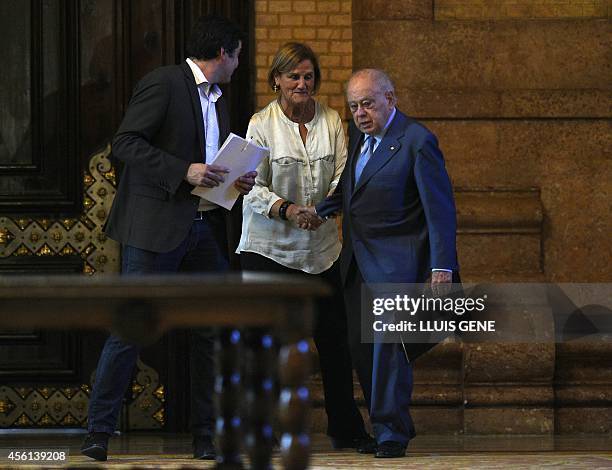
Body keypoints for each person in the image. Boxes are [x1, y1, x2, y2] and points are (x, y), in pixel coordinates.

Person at [80, 15, 256, 462]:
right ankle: (97, 432)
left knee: (211, 333)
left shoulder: (218, 100)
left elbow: (211, 163)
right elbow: (126, 143)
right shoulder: (164, 82)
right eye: (237, 56)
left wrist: (235, 180)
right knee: (131, 328)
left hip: (205, 228)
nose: (238, 65)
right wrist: (184, 170)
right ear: (223, 52)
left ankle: (206, 435)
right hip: (155, 229)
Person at [312, 68, 459, 458]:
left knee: (389, 353)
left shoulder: (416, 141)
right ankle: (388, 426)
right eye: (355, 106)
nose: (360, 113)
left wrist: (441, 267)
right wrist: (315, 212)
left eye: (368, 104)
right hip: (357, 264)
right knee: (365, 353)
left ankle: (392, 434)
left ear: (390, 99)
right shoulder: (360, 139)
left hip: (399, 266)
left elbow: (440, 211)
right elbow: (351, 193)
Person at [236, 43, 375, 453]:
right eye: (293, 76)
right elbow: (250, 187)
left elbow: (345, 174)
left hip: (322, 249)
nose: (302, 83)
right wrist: (289, 209)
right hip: (268, 249)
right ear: (276, 79)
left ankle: (346, 429)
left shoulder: (332, 120)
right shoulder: (259, 124)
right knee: (269, 346)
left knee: (334, 342)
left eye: (309, 76)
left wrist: (321, 210)